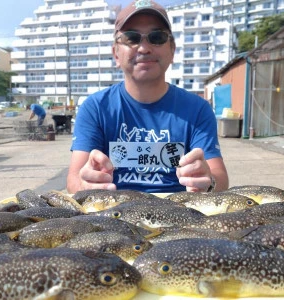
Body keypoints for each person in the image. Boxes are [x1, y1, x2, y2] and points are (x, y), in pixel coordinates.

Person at [67, 0, 229, 194]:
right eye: (131, 38)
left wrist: (208, 181)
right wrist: (85, 185)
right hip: (113, 212)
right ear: (116, 54)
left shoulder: (198, 109)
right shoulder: (95, 108)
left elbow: (219, 176)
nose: (144, 48)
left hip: (179, 213)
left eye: (157, 37)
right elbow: (74, 179)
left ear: (172, 50)